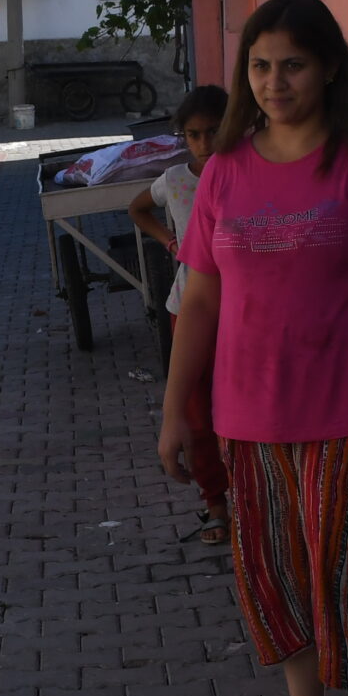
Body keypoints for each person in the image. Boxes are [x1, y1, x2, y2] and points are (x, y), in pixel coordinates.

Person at [156, 0, 348, 696]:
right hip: (247, 420)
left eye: (293, 65)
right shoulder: (226, 173)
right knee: (273, 577)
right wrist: (176, 408)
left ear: (328, 69)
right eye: (260, 66)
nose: (276, 82)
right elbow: (200, 299)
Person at [129, 85, 231, 543]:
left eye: (214, 132)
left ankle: (252, 500)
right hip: (188, 306)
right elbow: (138, 208)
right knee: (195, 413)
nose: (205, 144)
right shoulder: (175, 180)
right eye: (195, 135)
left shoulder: (245, 174)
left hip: (243, 311)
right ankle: (215, 504)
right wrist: (171, 243)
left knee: (241, 411)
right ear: (183, 138)